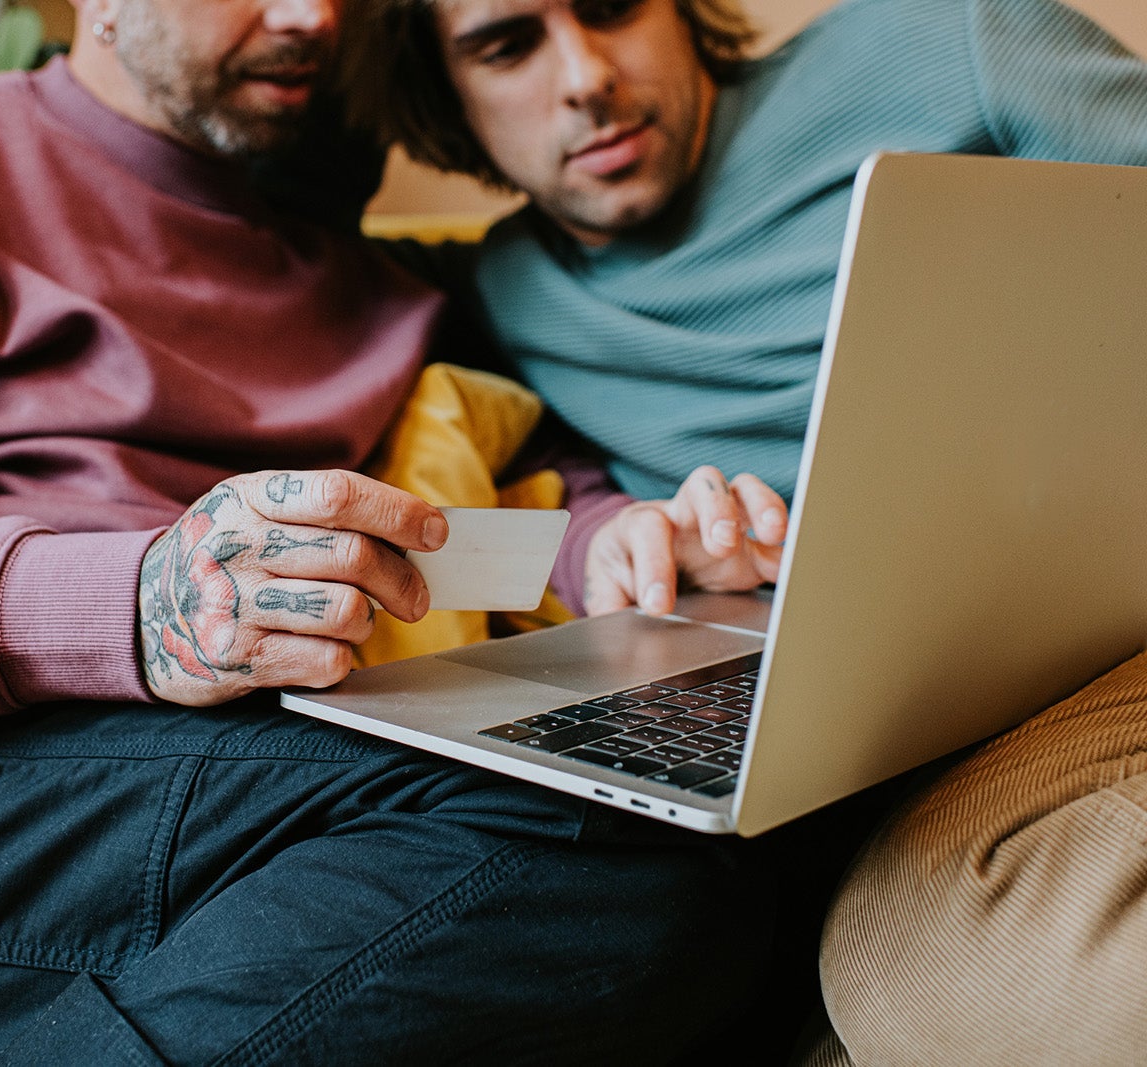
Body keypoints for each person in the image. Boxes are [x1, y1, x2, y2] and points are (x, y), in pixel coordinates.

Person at [0, 0, 802, 1062]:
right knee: (599, 842)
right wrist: (134, 604)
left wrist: (628, 545)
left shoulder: (386, 288)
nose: (312, 16)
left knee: (716, 823)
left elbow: (533, 499)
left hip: (211, 797)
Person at [358, 0, 1147, 1061]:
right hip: (856, 698)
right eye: (507, 46)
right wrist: (623, 533)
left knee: (920, 964)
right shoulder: (501, 292)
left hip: (1101, 623)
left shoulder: (950, 40)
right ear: (444, 96)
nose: (585, 75)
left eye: (609, 8)